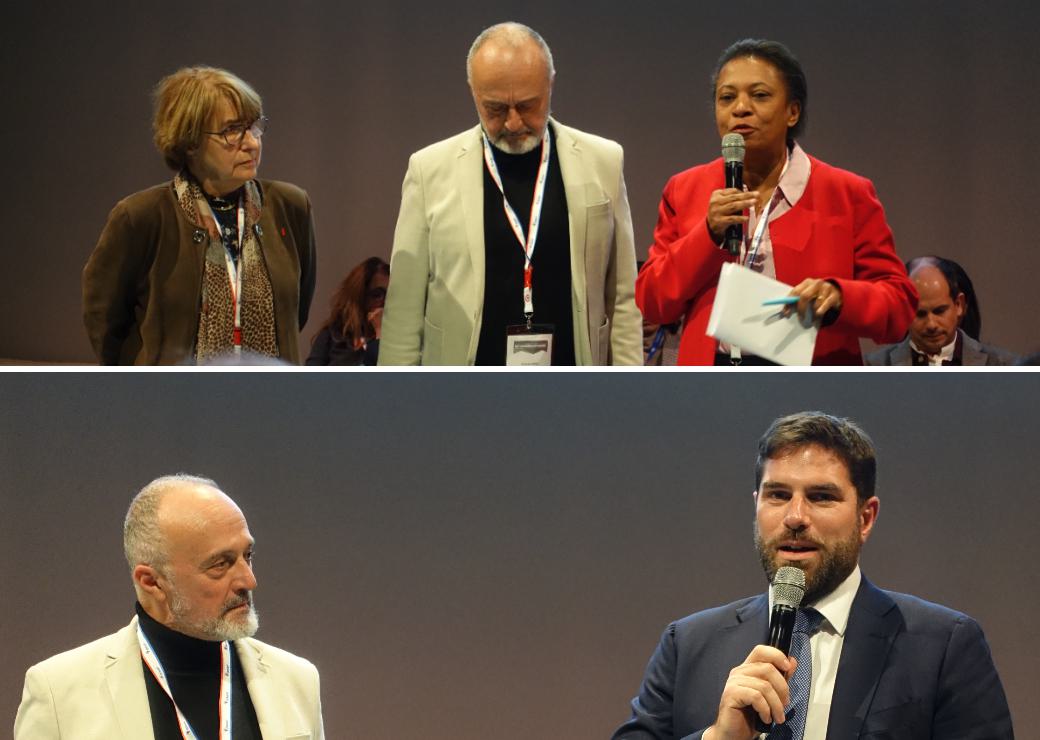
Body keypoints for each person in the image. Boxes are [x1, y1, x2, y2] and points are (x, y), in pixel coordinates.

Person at [613, 412, 1013, 739]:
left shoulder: (943, 645)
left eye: (821, 497)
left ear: (865, 517)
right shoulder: (687, 643)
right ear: (757, 507)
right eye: (778, 495)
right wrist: (718, 738)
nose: (795, 517)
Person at [636, 40, 917, 365]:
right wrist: (708, 233)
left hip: (812, 378)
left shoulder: (846, 192)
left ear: (792, 111)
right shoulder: (685, 189)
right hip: (712, 379)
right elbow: (653, 303)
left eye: (759, 95)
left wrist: (839, 297)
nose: (740, 108)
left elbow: (899, 306)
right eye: (727, 97)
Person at [378, 22, 642, 366]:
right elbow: (404, 310)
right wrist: (399, 402)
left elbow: (623, 298)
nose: (514, 123)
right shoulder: (428, 170)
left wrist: (625, 391)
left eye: (528, 106)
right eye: (496, 108)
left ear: (551, 85)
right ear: (473, 92)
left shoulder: (604, 161)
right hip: (462, 389)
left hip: (573, 386)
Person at [14, 474, 325, 739]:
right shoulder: (58, 692)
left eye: (248, 555)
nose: (248, 580)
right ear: (151, 582)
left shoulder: (297, 679)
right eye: (220, 564)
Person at [83, 66, 317, 365]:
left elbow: (296, 312)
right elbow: (104, 322)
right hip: (175, 404)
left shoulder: (290, 206)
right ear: (190, 141)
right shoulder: (141, 217)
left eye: (254, 126)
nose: (252, 142)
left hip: (268, 400)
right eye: (232, 130)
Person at [866, 256, 1017, 366]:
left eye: (939, 311)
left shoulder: (1004, 366)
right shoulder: (871, 368)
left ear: (959, 305)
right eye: (920, 314)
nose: (931, 324)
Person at [307, 256, 389, 365]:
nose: (385, 302)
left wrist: (381, 332)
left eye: (390, 296)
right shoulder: (332, 335)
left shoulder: (397, 340)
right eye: (377, 295)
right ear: (360, 297)